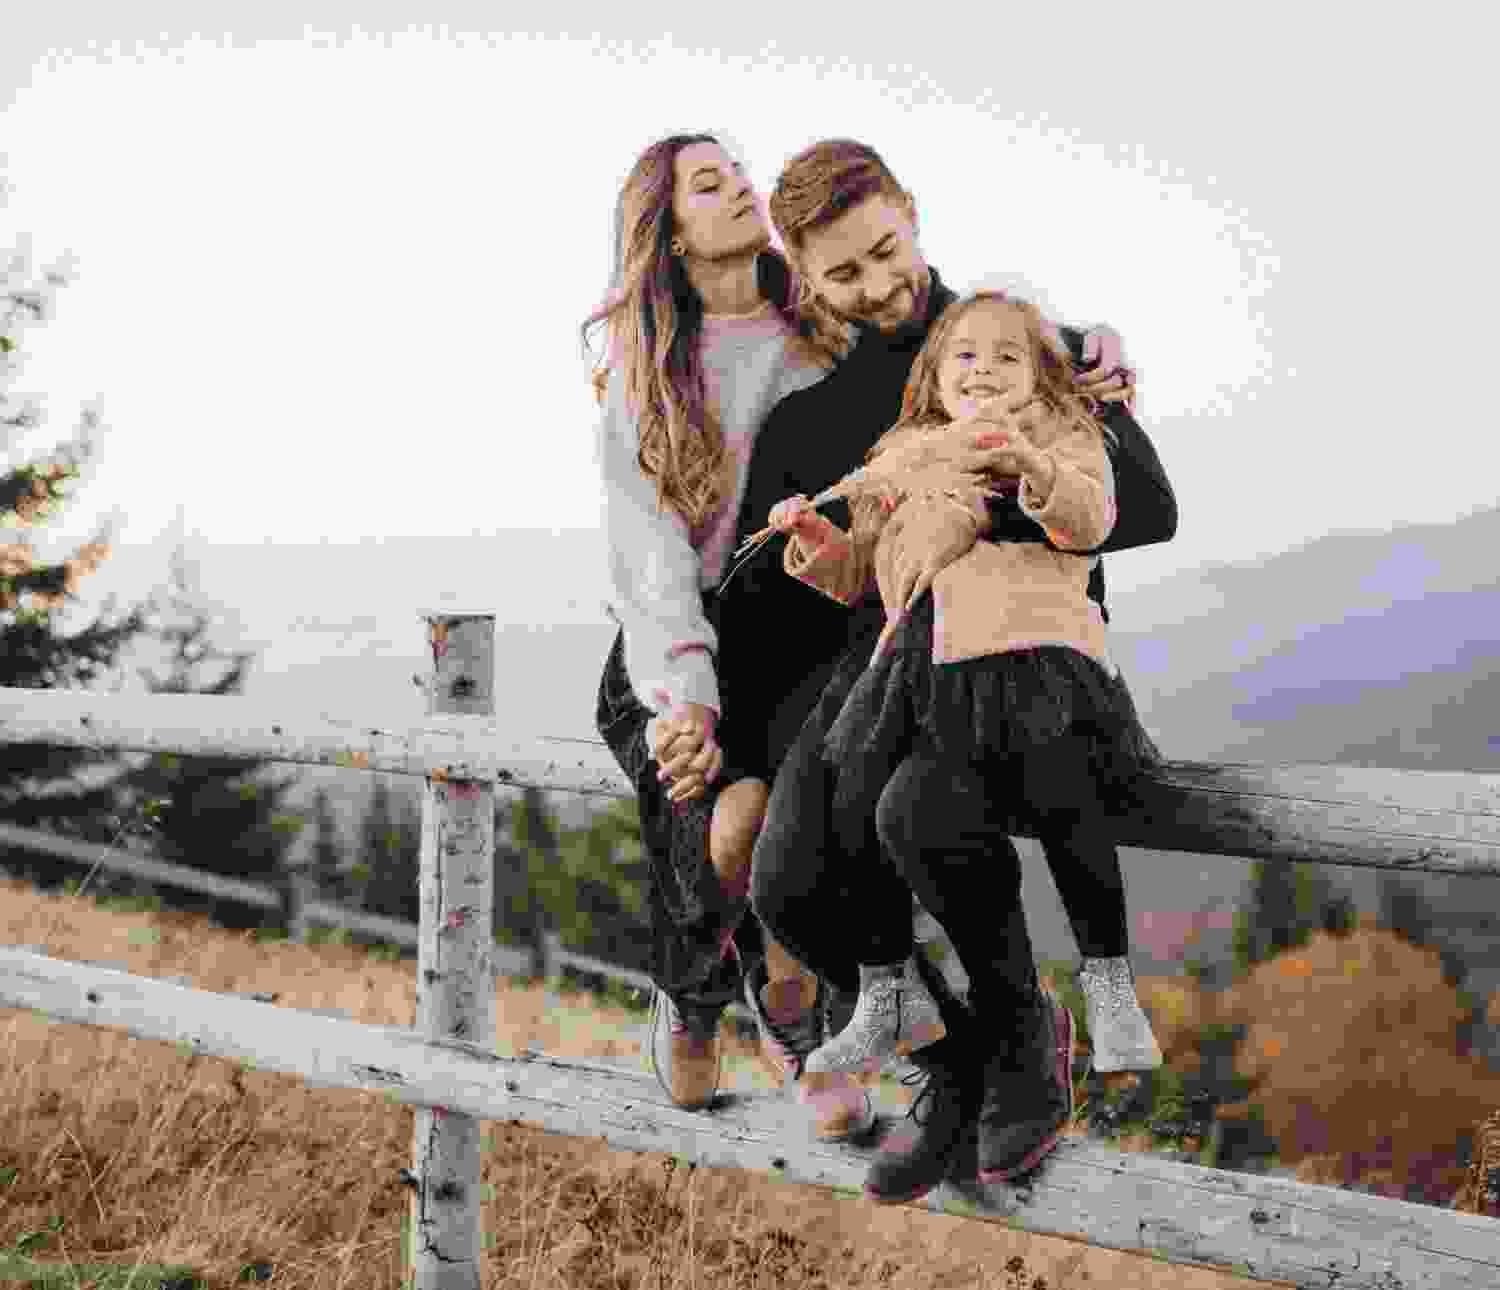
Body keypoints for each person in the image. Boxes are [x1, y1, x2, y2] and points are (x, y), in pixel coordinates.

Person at [708, 138, 1176, 1202]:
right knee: (787, 884)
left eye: (886, 251)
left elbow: (1149, 508)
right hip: (880, 665)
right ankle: (955, 1061)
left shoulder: (1023, 345)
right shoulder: (812, 414)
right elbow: (783, 600)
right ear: (804, 276)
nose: (878, 286)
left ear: (911, 214)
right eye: (844, 272)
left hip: (1015, 654)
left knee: (925, 814)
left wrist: (984, 491)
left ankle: (1020, 1045)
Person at [761, 289, 1166, 1143]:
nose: (984, 371)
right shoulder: (902, 454)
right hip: (932, 669)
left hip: (1039, 659)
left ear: (1041, 376)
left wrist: (1029, 465)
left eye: (1008, 358)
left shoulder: (1061, 433)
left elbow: (1092, 519)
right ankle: (887, 987)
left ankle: (1108, 986)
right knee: (862, 796)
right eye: (965, 357)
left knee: (1064, 799)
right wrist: (818, 547)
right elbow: (870, 575)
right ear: (933, 377)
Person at [584, 131, 873, 1143]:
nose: (743, 188)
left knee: (767, 818)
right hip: (674, 644)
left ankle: (788, 1004)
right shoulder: (649, 375)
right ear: (670, 235)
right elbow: (651, 556)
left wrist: (1083, 341)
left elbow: (938, 324)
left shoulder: (824, 331)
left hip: (798, 647)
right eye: (710, 184)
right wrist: (690, 702)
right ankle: (695, 990)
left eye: (740, 172)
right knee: (715, 809)